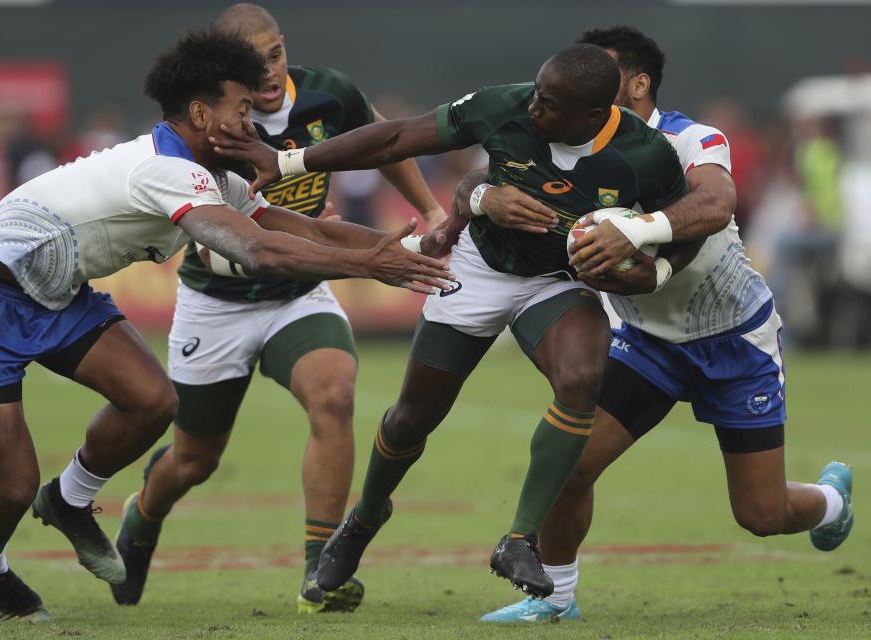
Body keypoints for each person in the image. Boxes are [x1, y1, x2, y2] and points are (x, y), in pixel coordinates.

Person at [0, 27, 451, 622]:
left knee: (152, 401)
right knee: (13, 487)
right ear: (202, 113)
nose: (254, 123)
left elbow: (299, 228)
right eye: (243, 109)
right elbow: (259, 252)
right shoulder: (165, 169)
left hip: (58, 296)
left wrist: (389, 248)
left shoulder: (214, 173)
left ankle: (69, 499)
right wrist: (367, 265)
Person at [212, 43, 733, 598]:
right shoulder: (504, 106)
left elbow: (693, 226)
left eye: (549, 104)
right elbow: (396, 136)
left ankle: (519, 539)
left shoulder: (644, 154)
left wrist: (654, 275)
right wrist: (290, 161)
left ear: (593, 115)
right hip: (480, 267)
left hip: (557, 281)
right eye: (536, 92)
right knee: (413, 417)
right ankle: (363, 519)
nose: (534, 107)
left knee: (583, 376)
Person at [477, 25, 854, 623]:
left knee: (761, 514)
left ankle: (832, 502)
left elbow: (716, 205)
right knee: (570, 465)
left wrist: (635, 230)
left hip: (735, 341)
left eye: (594, 73)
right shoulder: (573, 149)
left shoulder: (691, 138)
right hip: (646, 342)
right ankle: (555, 598)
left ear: (637, 84)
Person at [111, 4, 448, 615]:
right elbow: (230, 230)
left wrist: (430, 209)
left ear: (285, 47)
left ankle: (320, 571)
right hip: (216, 302)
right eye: (253, 61)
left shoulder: (328, 94)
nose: (268, 72)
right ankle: (142, 517)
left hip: (297, 293)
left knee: (335, 394)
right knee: (193, 460)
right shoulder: (212, 123)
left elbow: (385, 140)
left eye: (276, 53)